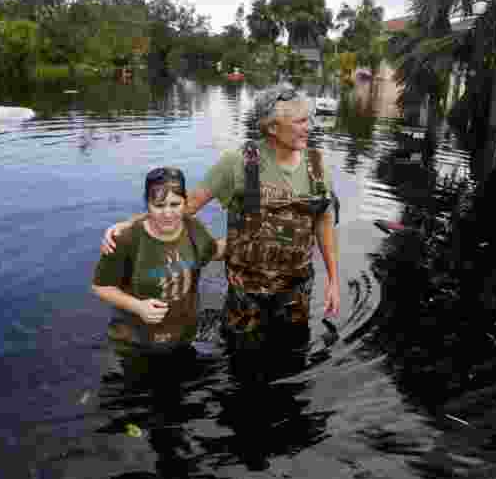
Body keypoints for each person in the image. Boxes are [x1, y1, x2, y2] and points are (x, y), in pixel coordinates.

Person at [101, 85, 340, 364]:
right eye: (300, 121)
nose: (309, 127)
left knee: (293, 356)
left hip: (296, 292)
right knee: (241, 362)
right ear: (272, 128)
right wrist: (126, 226)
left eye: (309, 120)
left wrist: (333, 280)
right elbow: (185, 206)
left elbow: (323, 222)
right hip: (246, 296)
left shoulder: (318, 165)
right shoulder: (238, 163)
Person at [91, 167, 225, 355]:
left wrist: (252, 238)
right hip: (136, 344)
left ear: (185, 202)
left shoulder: (194, 229)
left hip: (183, 338)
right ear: (147, 204)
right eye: (159, 206)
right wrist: (138, 306)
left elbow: (214, 251)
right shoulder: (126, 239)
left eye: (175, 204)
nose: (168, 214)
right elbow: (101, 287)